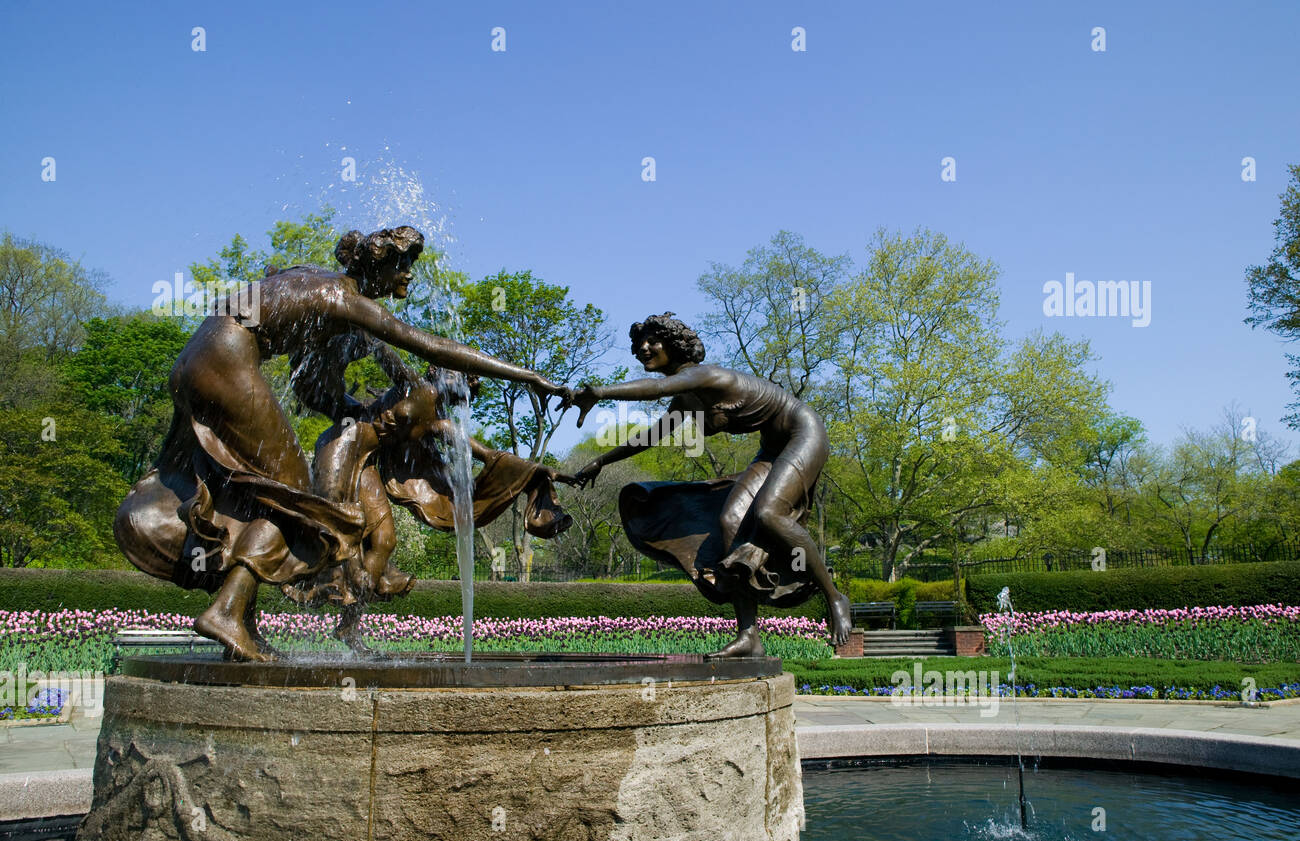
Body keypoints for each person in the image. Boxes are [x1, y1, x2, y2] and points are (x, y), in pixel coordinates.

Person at [114, 226, 569, 661]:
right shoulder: (345, 298)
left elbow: (311, 381)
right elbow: (428, 346)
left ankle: (240, 618)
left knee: (255, 489)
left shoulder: (316, 282)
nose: (410, 274)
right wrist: (529, 377)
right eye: (405, 264)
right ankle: (226, 613)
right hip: (227, 360)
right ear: (382, 265)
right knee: (298, 503)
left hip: (196, 356)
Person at [566, 312, 851, 657]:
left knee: (769, 515)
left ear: (674, 345)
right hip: (771, 449)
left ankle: (834, 597)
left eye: (653, 341)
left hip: (803, 433)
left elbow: (655, 388)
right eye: (639, 344)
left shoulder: (704, 375)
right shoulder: (686, 397)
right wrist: (603, 460)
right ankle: (749, 636)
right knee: (729, 523)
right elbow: (653, 435)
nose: (643, 348)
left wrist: (599, 392)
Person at [286, 359, 577, 651]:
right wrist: (367, 334)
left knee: (385, 541)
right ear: (433, 370)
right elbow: (384, 353)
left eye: (462, 372)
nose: (455, 373)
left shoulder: (439, 422)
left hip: (366, 463)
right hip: (341, 447)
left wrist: (541, 472)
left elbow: (489, 455)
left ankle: (348, 625)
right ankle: (312, 578)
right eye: (449, 367)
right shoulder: (412, 384)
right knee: (339, 533)